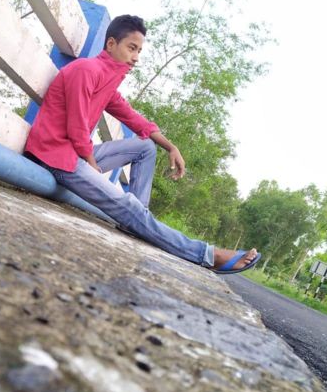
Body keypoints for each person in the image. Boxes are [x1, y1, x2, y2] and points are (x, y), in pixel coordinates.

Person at [24, 14, 260, 274]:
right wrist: (91, 164)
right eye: (132, 48)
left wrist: (170, 146)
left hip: (74, 156)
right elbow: (77, 130)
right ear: (111, 44)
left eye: (139, 51)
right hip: (55, 157)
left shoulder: (107, 81)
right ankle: (206, 254)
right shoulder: (86, 70)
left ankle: (136, 220)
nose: (136, 57)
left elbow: (134, 119)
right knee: (128, 206)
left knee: (145, 148)